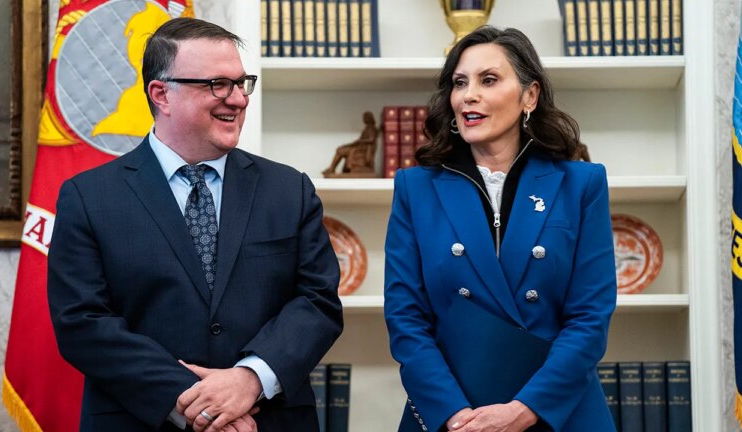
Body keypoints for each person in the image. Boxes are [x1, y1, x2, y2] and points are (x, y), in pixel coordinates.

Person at [48, 18, 343, 432]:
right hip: (142, 421)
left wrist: (249, 379)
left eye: (243, 83)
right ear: (161, 94)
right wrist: (195, 403)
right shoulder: (87, 197)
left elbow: (318, 302)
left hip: (267, 420)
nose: (238, 99)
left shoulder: (289, 189)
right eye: (217, 84)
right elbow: (83, 323)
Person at [384, 26, 617, 432]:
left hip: (555, 412)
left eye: (488, 80)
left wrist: (522, 411)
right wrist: (456, 417)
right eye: (460, 83)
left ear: (530, 95)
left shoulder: (582, 184)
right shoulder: (414, 188)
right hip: (452, 415)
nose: (468, 95)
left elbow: (589, 318)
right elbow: (406, 320)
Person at [322, 111, 379, 176]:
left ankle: (331, 169)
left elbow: (371, 139)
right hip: (359, 147)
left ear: (369, 118)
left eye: (365, 117)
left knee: (340, 151)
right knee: (340, 149)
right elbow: (358, 141)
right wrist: (348, 144)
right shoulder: (367, 128)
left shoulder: (371, 128)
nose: (364, 119)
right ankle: (331, 169)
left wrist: (360, 141)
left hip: (362, 150)